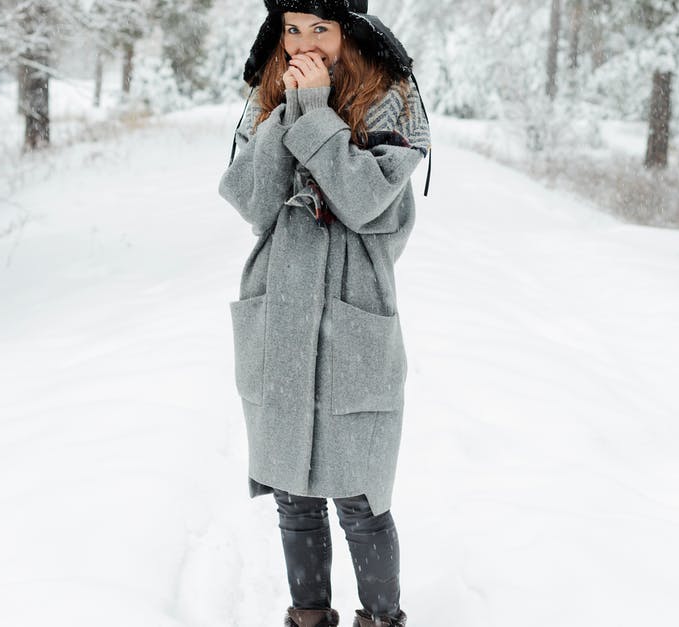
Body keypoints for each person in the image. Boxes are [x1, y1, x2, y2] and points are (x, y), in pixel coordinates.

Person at [218, 1, 430, 626]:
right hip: (279, 306)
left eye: (320, 29)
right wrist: (285, 111)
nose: (304, 43)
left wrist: (314, 114)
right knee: (293, 493)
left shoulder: (390, 101)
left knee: (360, 494)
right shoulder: (265, 100)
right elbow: (255, 203)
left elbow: (364, 201)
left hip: (351, 313)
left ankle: (381, 618)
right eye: (292, 29)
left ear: (350, 35)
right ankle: (308, 617)